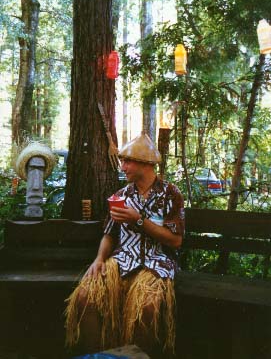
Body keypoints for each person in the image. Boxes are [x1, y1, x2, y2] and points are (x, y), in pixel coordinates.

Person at [65, 131, 185, 358]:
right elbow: (109, 234)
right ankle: (102, 355)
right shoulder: (120, 195)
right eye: (122, 161)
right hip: (122, 261)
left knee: (146, 308)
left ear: (145, 164)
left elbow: (176, 240)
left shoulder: (170, 194)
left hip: (156, 263)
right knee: (84, 298)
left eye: (127, 161)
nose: (123, 167)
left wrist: (137, 220)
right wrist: (99, 259)